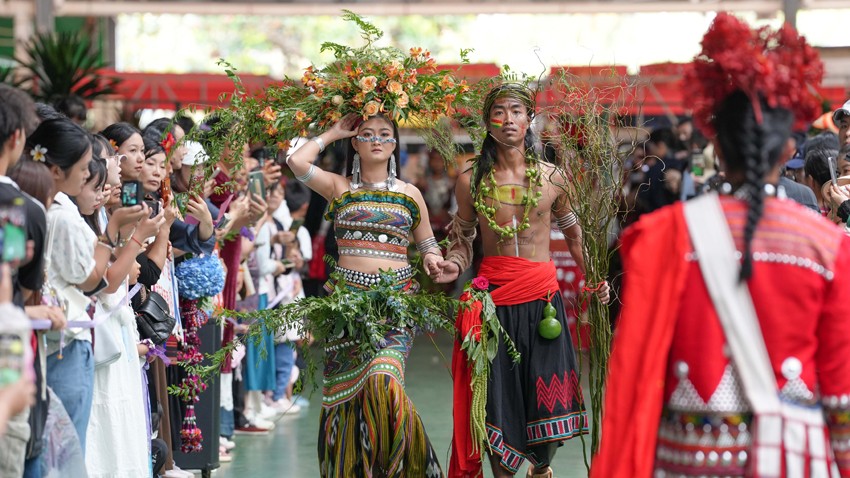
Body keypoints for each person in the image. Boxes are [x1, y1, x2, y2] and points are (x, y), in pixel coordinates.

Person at [591, 14, 850, 477]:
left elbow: (635, 372)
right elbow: (840, 393)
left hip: (688, 460)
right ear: (783, 150)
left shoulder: (662, 237)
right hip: (793, 460)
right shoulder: (827, 246)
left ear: (719, 147)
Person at [433, 83, 609, 478]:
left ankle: (542, 468)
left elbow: (575, 235)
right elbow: (463, 240)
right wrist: (452, 265)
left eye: (516, 111)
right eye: (499, 111)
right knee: (498, 398)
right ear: (486, 121)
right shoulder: (470, 180)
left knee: (551, 395)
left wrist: (595, 277)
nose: (508, 119)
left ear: (530, 119)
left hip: (543, 298)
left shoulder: (554, 178)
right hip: (492, 302)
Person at [286, 112, 445, 477]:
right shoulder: (339, 188)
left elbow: (428, 246)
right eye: (367, 134)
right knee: (348, 402)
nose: (377, 140)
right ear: (355, 144)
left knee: (383, 382)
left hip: (394, 311)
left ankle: (409, 468)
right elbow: (296, 162)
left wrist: (436, 262)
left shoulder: (410, 195)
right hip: (346, 312)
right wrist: (333, 132)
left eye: (385, 134)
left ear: (394, 144)